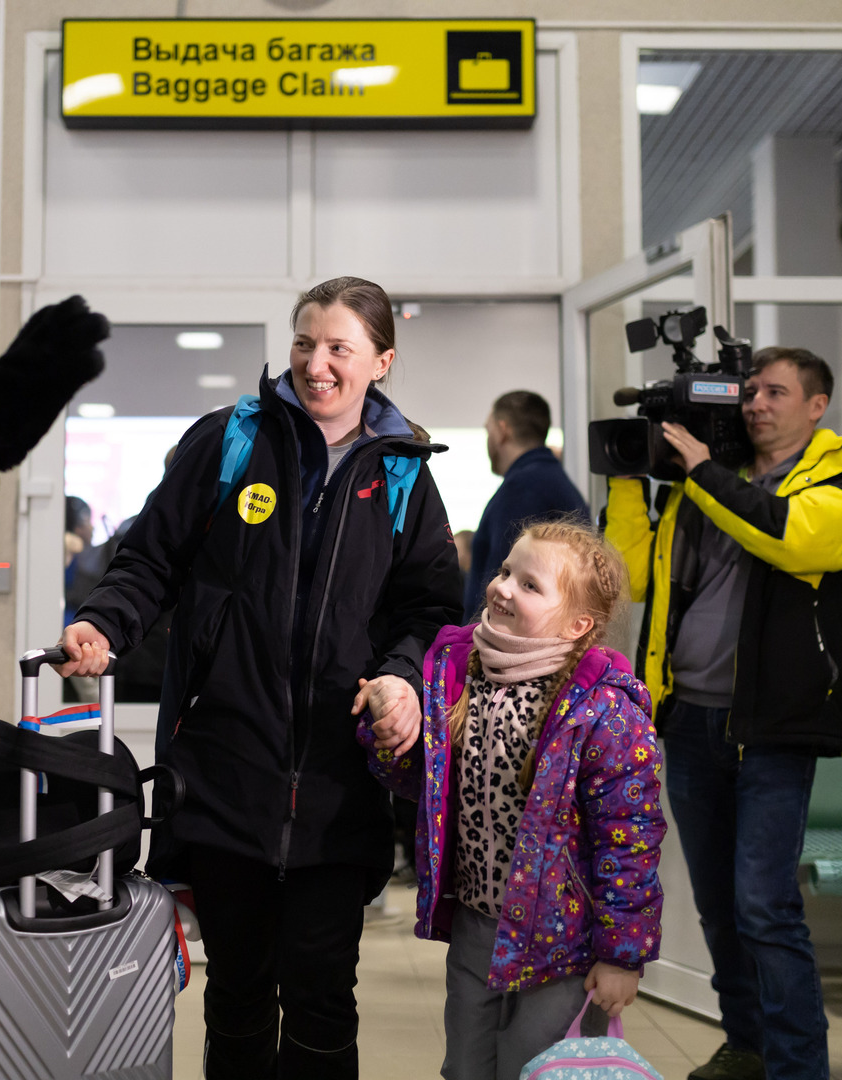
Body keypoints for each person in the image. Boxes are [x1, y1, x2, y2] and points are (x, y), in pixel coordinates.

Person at [59, 276, 463, 1079]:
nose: (317, 364)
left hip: (341, 786)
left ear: (381, 361)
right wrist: (103, 622)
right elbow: (149, 558)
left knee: (320, 993)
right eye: (306, 343)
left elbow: (429, 613)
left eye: (339, 348)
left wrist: (403, 681)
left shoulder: (406, 476)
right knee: (236, 992)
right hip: (226, 778)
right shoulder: (230, 442)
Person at [605, 346, 842, 1080]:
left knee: (765, 907)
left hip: (773, 726)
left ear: (817, 406)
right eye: (750, 391)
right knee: (722, 910)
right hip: (690, 720)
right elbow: (629, 576)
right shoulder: (703, 486)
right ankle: (748, 1045)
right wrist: (631, 483)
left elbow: (787, 535)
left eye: (776, 392)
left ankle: (796, 1066)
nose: (757, 403)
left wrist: (701, 473)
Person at [359, 519, 664, 1080]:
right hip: (478, 925)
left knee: (537, 1066)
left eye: (530, 585)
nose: (502, 587)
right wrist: (387, 728)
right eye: (505, 572)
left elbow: (632, 842)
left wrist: (622, 955)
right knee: (466, 1066)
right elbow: (420, 783)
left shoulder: (605, 711)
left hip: (564, 941)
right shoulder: (456, 674)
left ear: (577, 625)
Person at [465, 391, 590, 619]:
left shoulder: (525, 487)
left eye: (488, 429)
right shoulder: (548, 480)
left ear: (503, 430)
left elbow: (503, 585)